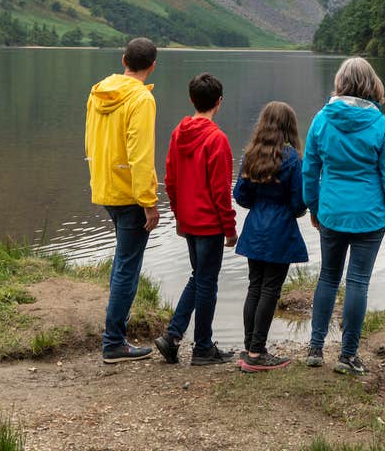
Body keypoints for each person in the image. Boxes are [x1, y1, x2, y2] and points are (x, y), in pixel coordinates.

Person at [303, 57, 385, 376]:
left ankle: (315, 349)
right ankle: (347, 356)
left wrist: (314, 206)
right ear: (371, 83)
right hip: (370, 215)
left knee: (328, 278)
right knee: (358, 282)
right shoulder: (381, 125)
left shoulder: (322, 119)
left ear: (340, 81)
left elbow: (310, 169)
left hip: (332, 211)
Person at [153, 73, 237, 366]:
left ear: (192, 100)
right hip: (210, 224)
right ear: (219, 102)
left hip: (189, 221)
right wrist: (230, 228)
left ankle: (173, 337)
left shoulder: (179, 133)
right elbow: (220, 193)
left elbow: (170, 180)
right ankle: (201, 347)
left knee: (199, 278)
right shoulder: (217, 139)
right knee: (206, 282)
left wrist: (178, 215)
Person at [86, 37, 161, 364]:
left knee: (122, 261)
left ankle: (114, 336)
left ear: (123, 60)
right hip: (130, 194)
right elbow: (140, 156)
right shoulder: (141, 100)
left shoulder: (98, 91)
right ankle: (113, 342)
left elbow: (90, 140)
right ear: (152, 65)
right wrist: (149, 200)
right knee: (128, 268)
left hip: (106, 187)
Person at [232, 101, 309, 372]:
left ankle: (249, 348)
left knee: (255, 286)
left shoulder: (250, 155)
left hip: (254, 228)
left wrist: (261, 204)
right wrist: (287, 210)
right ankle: (257, 352)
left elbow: (240, 195)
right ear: (290, 127)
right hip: (279, 229)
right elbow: (300, 202)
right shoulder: (291, 159)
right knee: (270, 289)